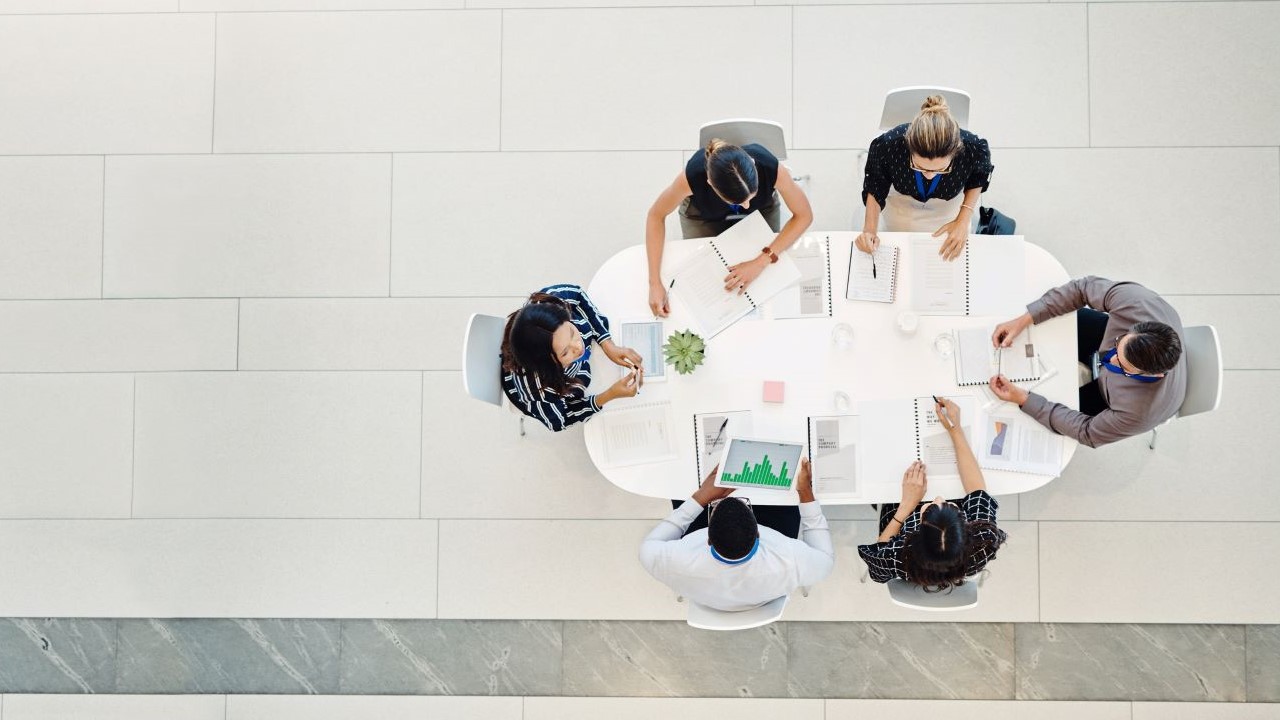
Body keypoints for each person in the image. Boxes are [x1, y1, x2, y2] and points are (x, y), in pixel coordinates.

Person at [988, 276, 1186, 448]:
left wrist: (1023, 399)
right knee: (1049, 323)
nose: (1110, 359)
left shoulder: (1139, 413)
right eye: (1119, 345)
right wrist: (1024, 319)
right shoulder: (1136, 301)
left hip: (1110, 398)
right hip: (1104, 335)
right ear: (1138, 326)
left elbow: (1087, 432)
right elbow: (1082, 289)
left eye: (1124, 367)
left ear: (1152, 375)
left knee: (1043, 407)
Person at [645, 139, 814, 316]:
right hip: (702, 211)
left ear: (753, 165)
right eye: (740, 202)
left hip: (763, 206)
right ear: (710, 183)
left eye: (751, 195)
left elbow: (804, 216)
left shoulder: (771, 167)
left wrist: (760, 262)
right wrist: (654, 283)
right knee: (704, 265)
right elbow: (656, 216)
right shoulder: (691, 177)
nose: (747, 207)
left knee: (769, 267)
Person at [639, 458, 834, 612]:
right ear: (758, 531)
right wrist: (804, 491)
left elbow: (650, 545)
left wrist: (701, 497)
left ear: (708, 538)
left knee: (682, 485)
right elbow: (825, 560)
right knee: (787, 496)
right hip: (762, 587)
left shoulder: (675, 560)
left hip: (709, 591)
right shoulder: (791, 560)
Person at [858, 398, 1007, 589]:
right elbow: (977, 491)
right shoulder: (982, 542)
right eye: (950, 506)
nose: (938, 498)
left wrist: (907, 506)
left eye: (928, 509)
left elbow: (877, 566)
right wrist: (955, 429)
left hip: (902, 509)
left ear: (913, 535)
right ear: (966, 530)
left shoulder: (901, 556)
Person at [855, 95, 994, 262]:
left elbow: (978, 177)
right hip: (901, 207)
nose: (929, 175)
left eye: (941, 169)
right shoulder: (889, 145)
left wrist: (963, 220)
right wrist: (869, 230)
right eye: (919, 167)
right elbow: (875, 185)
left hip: (950, 210)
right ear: (908, 148)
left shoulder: (972, 147)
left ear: (956, 153)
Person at [500, 284, 644, 432]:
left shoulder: (548, 304)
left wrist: (607, 344)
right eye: (565, 352)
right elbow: (562, 420)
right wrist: (610, 395)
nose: (578, 346)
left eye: (571, 332)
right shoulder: (539, 391)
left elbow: (577, 294)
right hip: (545, 385)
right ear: (549, 365)